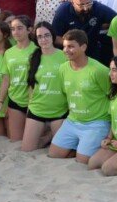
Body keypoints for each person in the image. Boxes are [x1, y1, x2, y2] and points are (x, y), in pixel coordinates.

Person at [48, 29, 112, 163]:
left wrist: (113, 131)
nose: (66, 50)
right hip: (72, 121)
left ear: (83, 47)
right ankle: (82, 146)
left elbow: (115, 98)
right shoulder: (63, 68)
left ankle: (103, 148)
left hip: (96, 122)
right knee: (54, 154)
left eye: (71, 46)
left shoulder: (99, 70)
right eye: (65, 46)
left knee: (82, 160)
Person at [22, 22, 68, 152]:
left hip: (59, 111)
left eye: (47, 35)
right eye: (40, 36)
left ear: (52, 36)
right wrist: (29, 107)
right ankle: (49, 136)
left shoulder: (64, 56)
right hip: (37, 109)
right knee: (27, 149)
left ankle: (51, 134)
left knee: (60, 151)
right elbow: (31, 85)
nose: (44, 39)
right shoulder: (33, 57)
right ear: (36, 39)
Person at [51, 0, 117, 66]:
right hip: (70, 53)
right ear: (73, 3)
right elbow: (55, 37)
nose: (86, 8)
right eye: (81, 5)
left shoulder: (97, 7)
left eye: (88, 3)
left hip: (92, 49)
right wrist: (72, 44)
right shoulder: (63, 11)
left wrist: (105, 26)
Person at [0, 14, 36, 141]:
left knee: (30, 141)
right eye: (13, 29)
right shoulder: (8, 53)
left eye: (20, 28)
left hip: (34, 101)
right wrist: (0, 101)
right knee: (15, 140)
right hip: (15, 99)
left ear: (29, 30)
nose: (16, 32)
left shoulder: (37, 50)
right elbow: (6, 79)